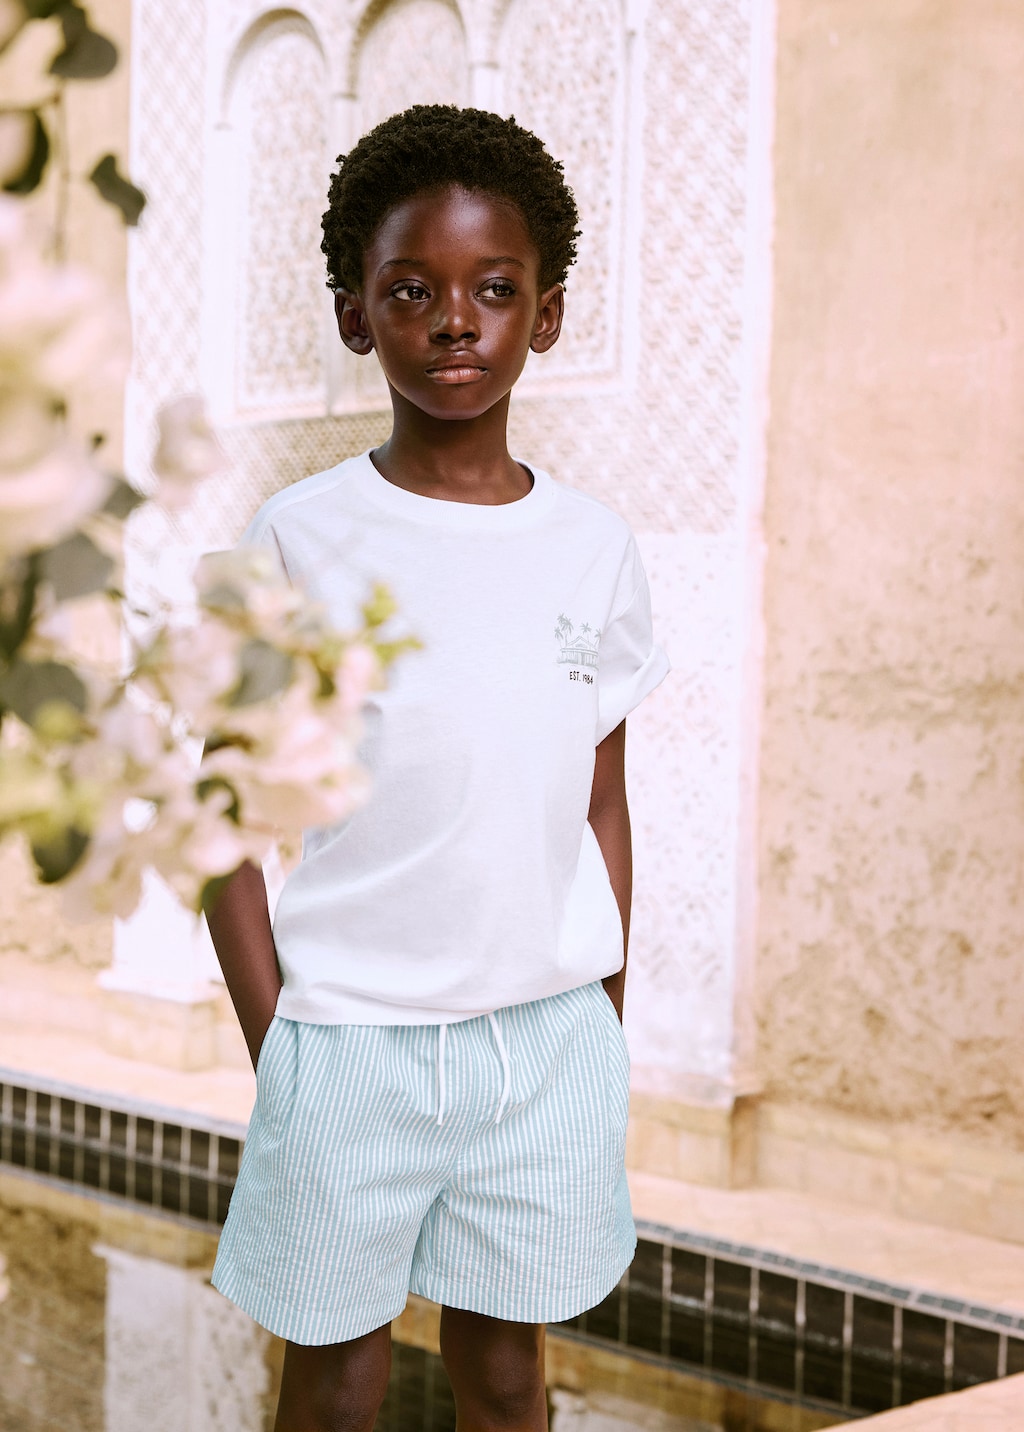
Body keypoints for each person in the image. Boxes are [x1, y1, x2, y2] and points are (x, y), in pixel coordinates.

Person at [206, 103, 669, 1432]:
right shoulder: (296, 542)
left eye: (494, 289)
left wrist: (607, 1018)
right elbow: (219, 815)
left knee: (509, 1366)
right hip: (348, 1040)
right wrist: (278, 1043)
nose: (456, 319)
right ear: (359, 315)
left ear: (549, 313)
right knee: (339, 1373)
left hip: (545, 1038)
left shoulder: (596, 547)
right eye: (412, 291)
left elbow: (600, 796)